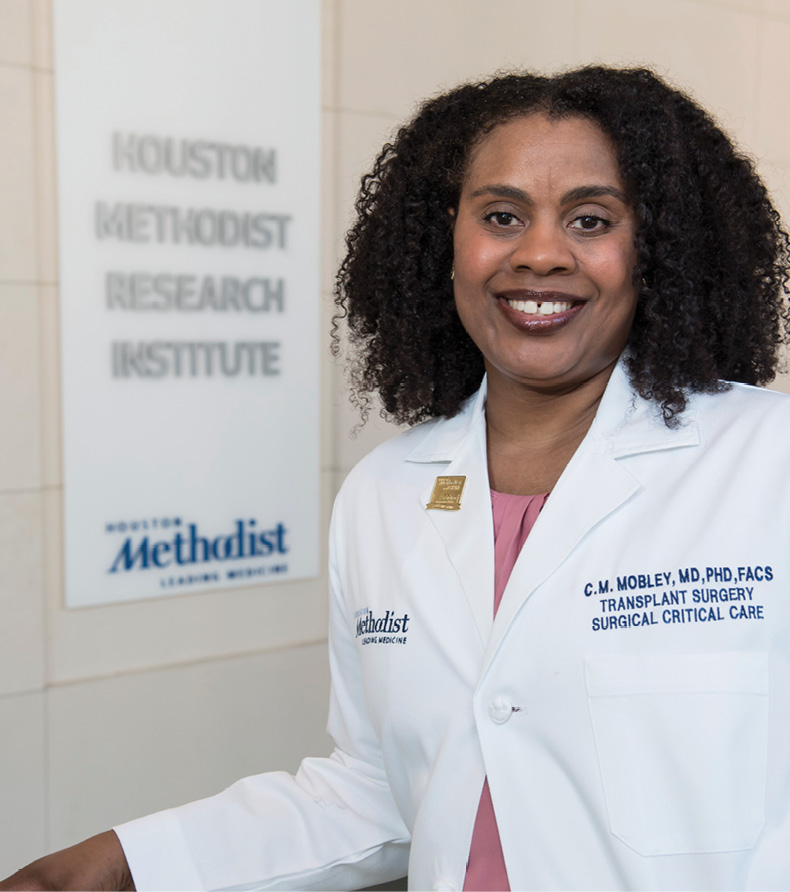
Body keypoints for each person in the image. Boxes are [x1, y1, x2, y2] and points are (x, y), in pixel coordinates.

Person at [3, 64, 790, 891]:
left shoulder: (766, 463)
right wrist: (126, 864)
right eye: (500, 216)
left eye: (591, 219)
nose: (541, 254)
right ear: (441, 243)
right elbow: (377, 792)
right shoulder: (384, 494)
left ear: (657, 250)